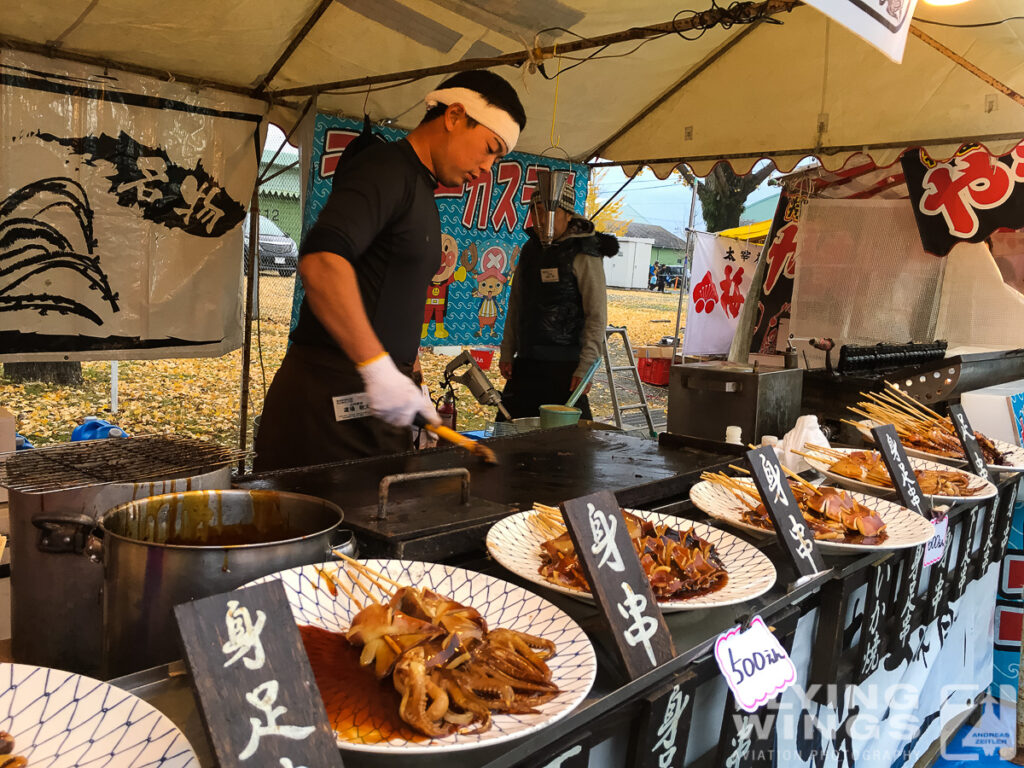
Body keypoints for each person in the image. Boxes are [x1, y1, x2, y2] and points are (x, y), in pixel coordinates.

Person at [254, 71, 526, 471]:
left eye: (498, 159)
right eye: (489, 148)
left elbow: (391, 293)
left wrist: (412, 380)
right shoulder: (384, 168)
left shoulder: (421, 191)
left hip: (372, 414)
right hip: (327, 412)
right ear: (453, 116)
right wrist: (378, 367)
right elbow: (323, 261)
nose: (488, 167)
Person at [498, 174, 617, 421]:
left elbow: (596, 315)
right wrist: (508, 351)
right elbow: (516, 303)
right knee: (511, 433)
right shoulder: (530, 249)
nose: (539, 220)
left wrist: (585, 368)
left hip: (566, 366)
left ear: (567, 214)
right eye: (534, 212)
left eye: (544, 212)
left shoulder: (585, 252)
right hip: (527, 362)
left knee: (567, 444)